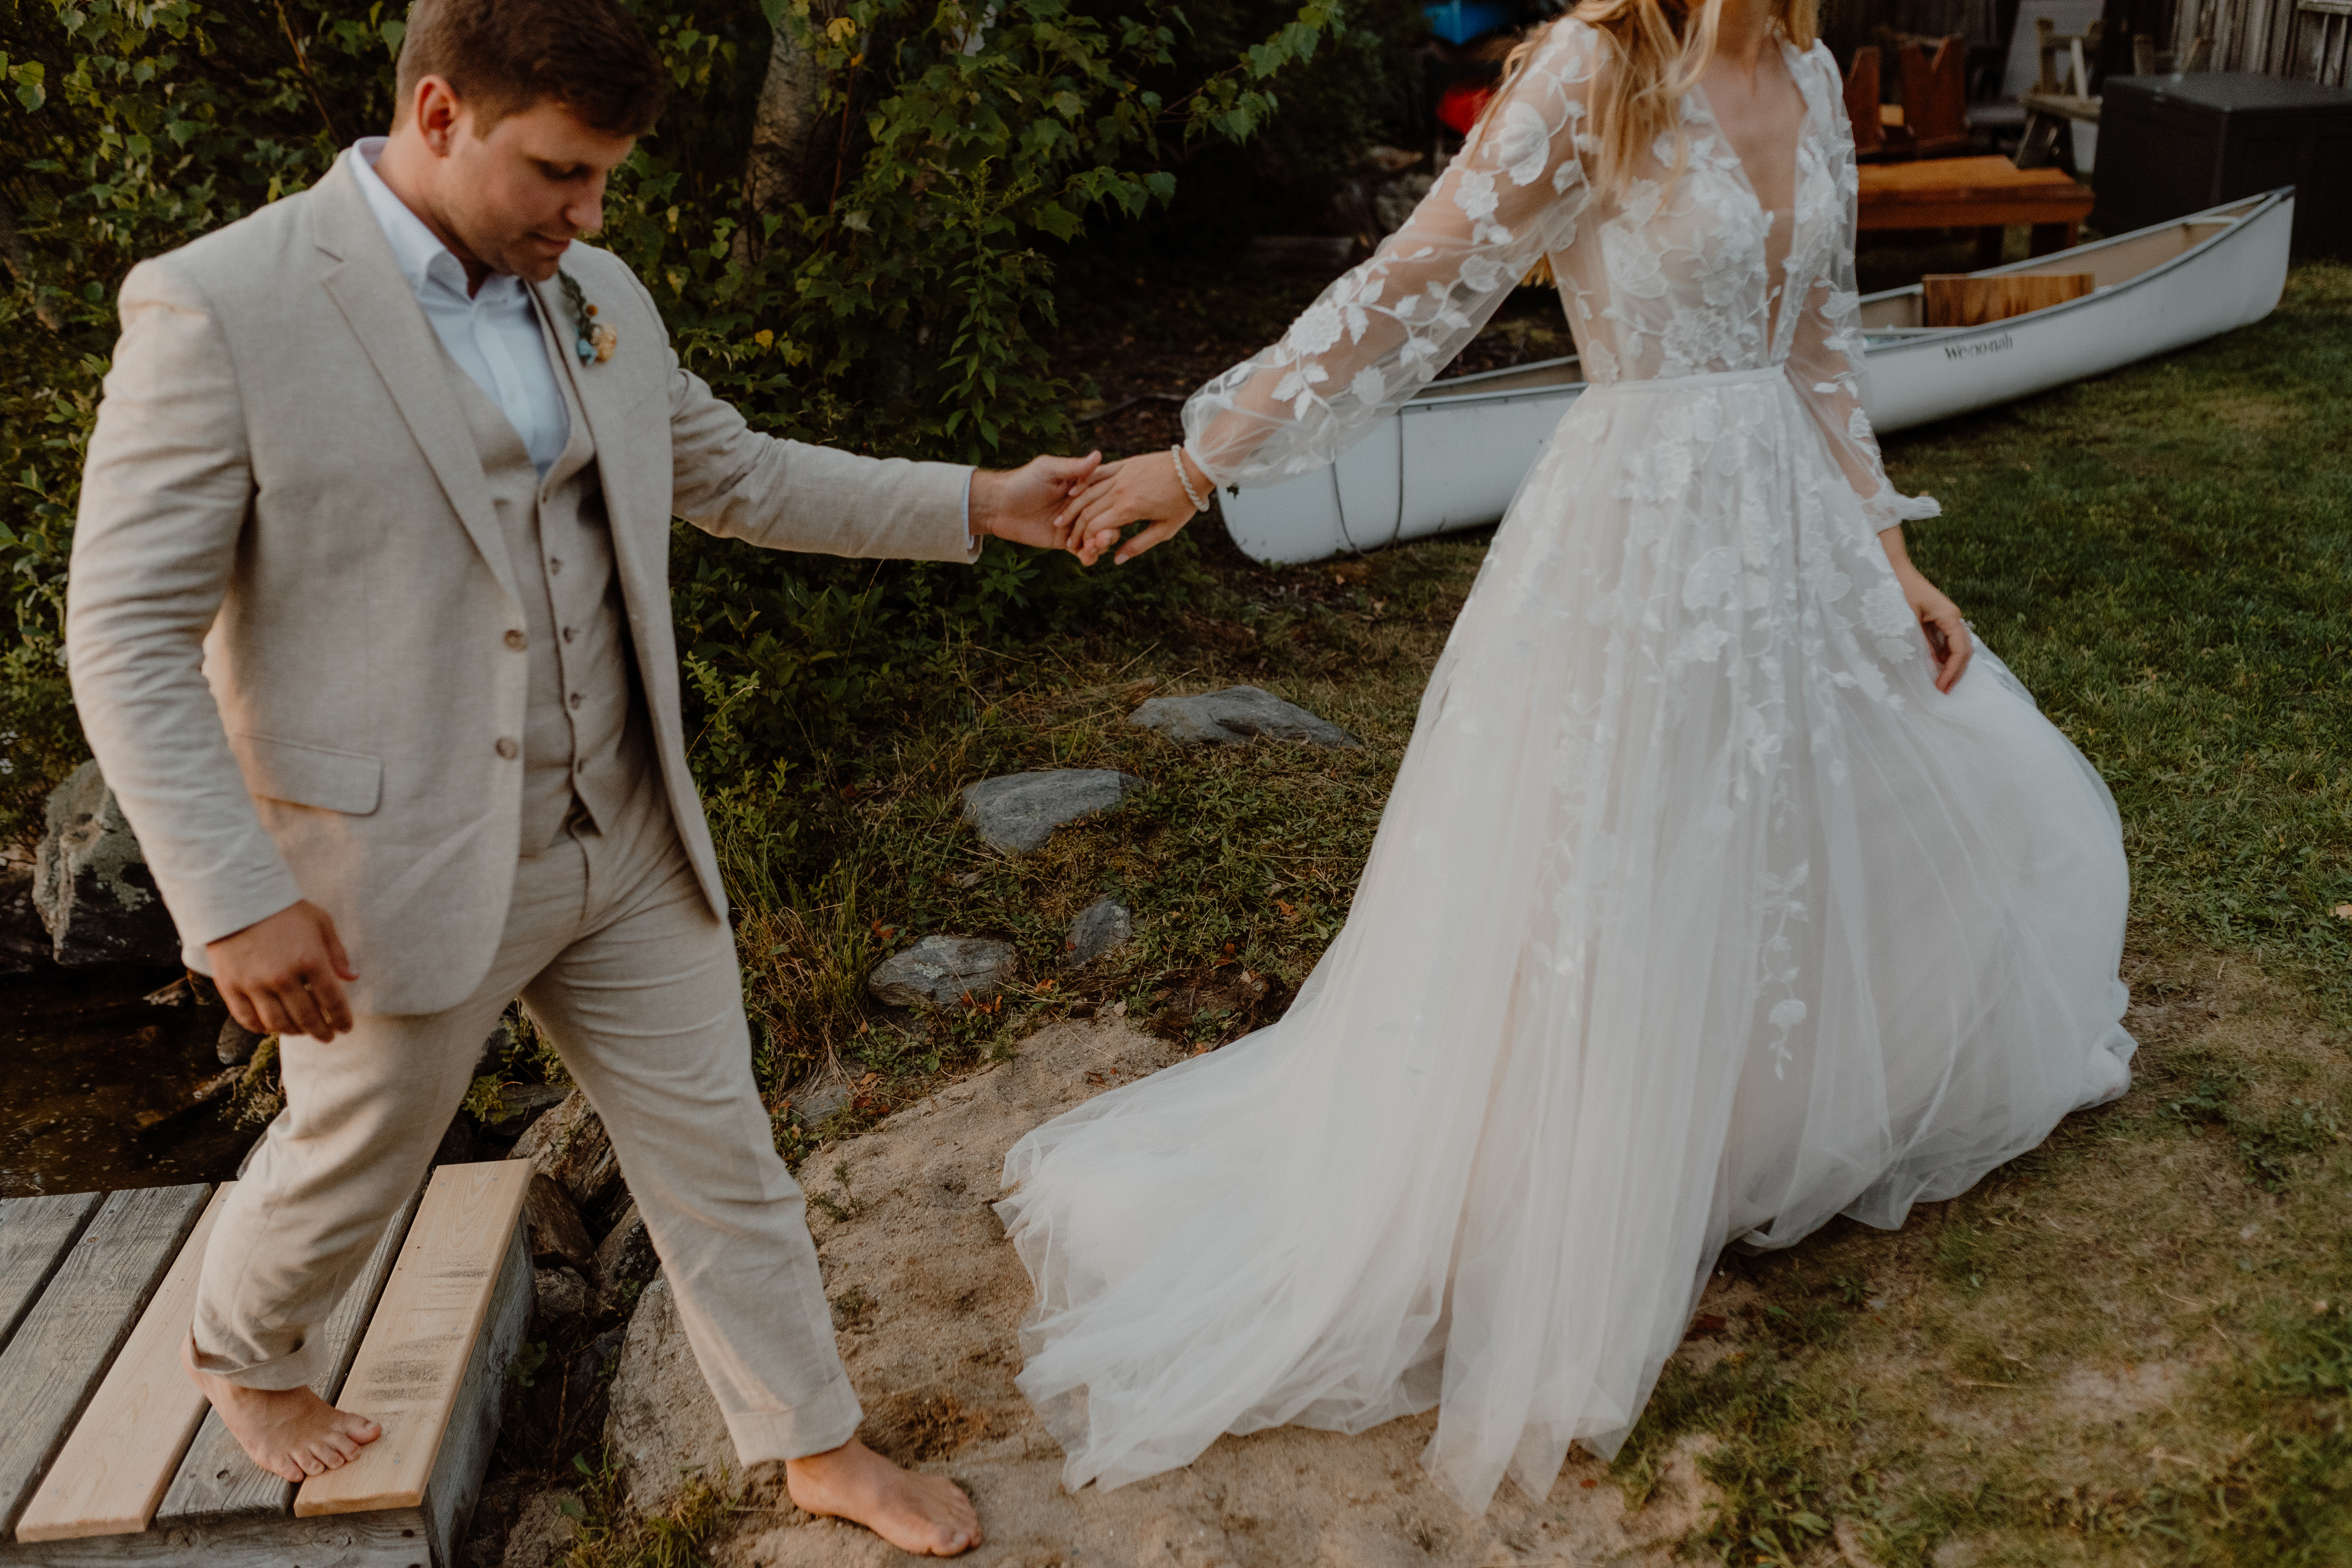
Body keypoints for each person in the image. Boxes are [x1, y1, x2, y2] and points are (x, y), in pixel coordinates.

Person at [1010, 0, 2136, 1514]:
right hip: (1639, 546)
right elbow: (1414, 288)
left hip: (1794, 541)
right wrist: (1202, 460)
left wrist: (1893, 557)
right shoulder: (1596, 74)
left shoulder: (1809, 75)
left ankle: (1732, 1133)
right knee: (1624, 863)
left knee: (1832, 829)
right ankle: (1589, 1173)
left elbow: (1822, 351)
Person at [64, 0, 1097, 1554]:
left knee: (726, 1155)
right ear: (435, 114)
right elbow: (124, 633)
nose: (591, 214)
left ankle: (815, 1440)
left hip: (624, 828)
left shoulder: (593, 289)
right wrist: (231, 900)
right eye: (559, 171)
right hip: (388, 862)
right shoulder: (225, 306)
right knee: (352, 1159)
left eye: (606, 179)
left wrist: (981, 503)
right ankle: (239, 1355)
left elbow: (738, 474)